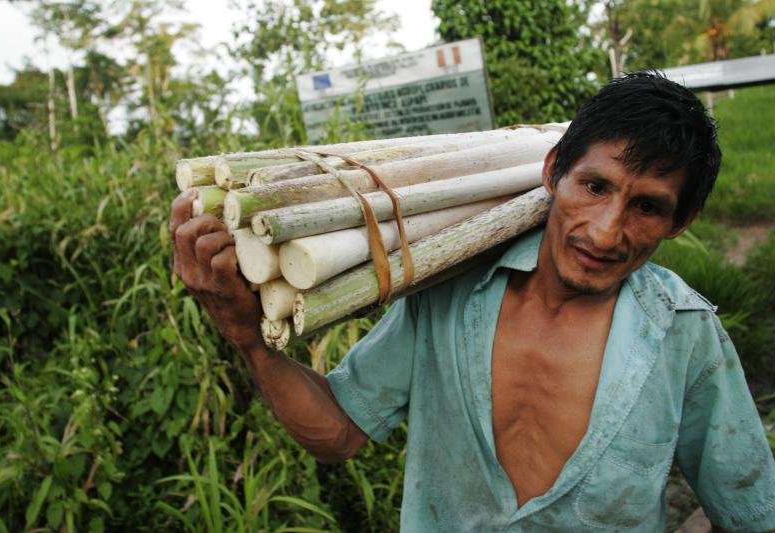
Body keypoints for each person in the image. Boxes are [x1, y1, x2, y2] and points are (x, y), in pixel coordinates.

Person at [170, 72, 775, 532]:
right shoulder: (450, 287)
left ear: (682, 220)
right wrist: (248, 338)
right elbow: (339, 434)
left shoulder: (683, 334)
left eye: (646, 206)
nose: (604, 231)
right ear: (552, 173)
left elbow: (749, 510)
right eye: (594, 187)